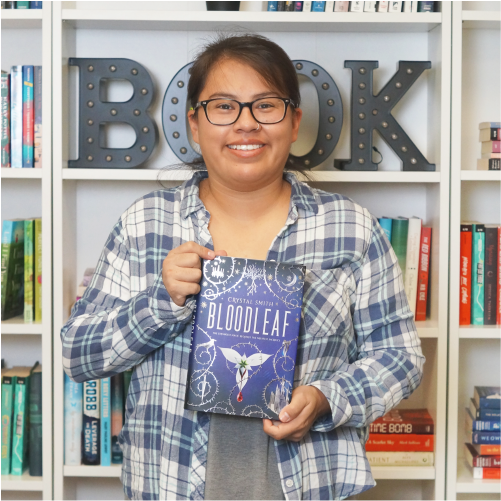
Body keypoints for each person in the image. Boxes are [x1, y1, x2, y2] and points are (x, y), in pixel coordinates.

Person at [61, 33, 425, 501]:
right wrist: (160, 303)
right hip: (170, 483)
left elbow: (400, 356)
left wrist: (326, 399)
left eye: (266, 106)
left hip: (309, 483)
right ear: (194, 124)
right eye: (224, 107)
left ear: (294, 122)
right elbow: (77, 354)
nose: (246, 124)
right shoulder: (146, 222)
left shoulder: (350, 227)